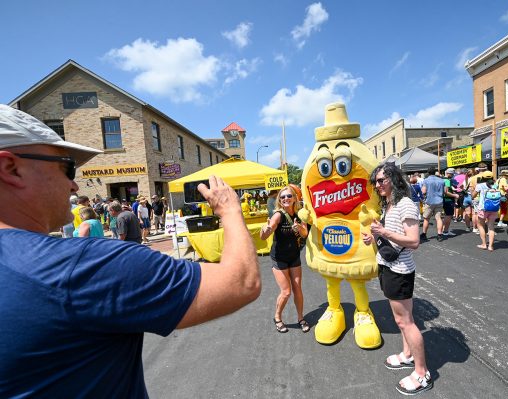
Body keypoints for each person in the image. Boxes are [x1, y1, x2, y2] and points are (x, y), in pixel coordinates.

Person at [0, 104, 261, 397]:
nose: (74, 184)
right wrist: (229, 209)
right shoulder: (86, 266)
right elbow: (242, 281)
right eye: (66, 166)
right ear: (11, 168)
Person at [362, 163, 432, 396]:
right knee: (403, 319)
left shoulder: (405, 204)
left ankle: (422, 374)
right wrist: (374, 238)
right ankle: (407, 355)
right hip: (388, 266)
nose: (378, 185)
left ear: (394, 179)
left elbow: (413, 241)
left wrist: (383, 232)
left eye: (382, 180)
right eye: (376, 182)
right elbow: (391, 237)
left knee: (406, 322)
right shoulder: (389, 205)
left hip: (400, 270)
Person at [259, 186, 310, 334]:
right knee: (286, 292)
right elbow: (265, 235)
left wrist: (299, 228)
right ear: (279, 201)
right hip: (279, 258)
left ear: (294, 197)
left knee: (297, 290)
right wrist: (266, 229)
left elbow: (305, 233)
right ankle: (277, 317)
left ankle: (300, 318)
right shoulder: (278, 215)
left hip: (294, 257)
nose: (285, 199)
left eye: (288, 196)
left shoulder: (300, 214)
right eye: (282, 197)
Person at [420, 166, 445, 242]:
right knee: (438, 218)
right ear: (435, 172)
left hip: (430, 201)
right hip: (439, 201)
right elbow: (444, 191)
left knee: (426, 218)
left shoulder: (426, 180)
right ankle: (440, 234)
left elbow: (423, 191)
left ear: (428, 172)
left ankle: (424, 234)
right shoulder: (441, 180)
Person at [474, 178, 498, 251]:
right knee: (491, 227)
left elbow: (473, 195)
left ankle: (484, 244)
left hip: (483, 209)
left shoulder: (480, 185)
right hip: (494, 208)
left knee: (480, 225)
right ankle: (490, 246)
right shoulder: (495, 185)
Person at [441, 168, 459, 237]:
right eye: (452, 174)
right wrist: (455, 195)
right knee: (448, 215)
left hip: (443, 199)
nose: (452, 176)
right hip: (448, 200)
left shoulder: (442, 179)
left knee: (446, 215)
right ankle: (445, 231)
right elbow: (446, 192)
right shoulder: (447, 180)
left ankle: (444, 229)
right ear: (449, 174)